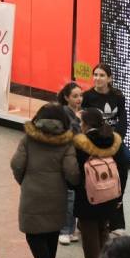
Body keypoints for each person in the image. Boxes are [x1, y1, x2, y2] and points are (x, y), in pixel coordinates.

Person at [10, 103, 81, 258]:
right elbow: (72, 171)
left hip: (32, 192)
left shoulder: (28, 139)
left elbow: (16, 164)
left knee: (33, 233)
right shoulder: (66, 142)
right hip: (57, 193)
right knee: (51, 232)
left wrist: (24, 181)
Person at [69, 108, 130, 258]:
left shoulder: (81, 144)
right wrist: (120, 194)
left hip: (88, 197)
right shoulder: (114, 140)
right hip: (109, 195)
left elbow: (74, 172)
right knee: (103, 232)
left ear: (86, 124)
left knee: (89, 239)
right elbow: (124, 163)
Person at [56, 81, 85, 247]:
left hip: (76, 157)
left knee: (74, 194)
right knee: (69, 195)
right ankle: (65, 230)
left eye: (80, 96)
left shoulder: (78, 113)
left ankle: (71, 228)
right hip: (67, 157)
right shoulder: (65, 113)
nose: (78, 99)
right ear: (67, 97)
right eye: (75, 96)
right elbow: (72, 134)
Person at [83, 63, 129, 139]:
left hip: (114, 138)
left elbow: (123, 121)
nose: (97, 78)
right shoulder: (86, 96)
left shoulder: (118, 96)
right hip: (93, 139)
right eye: (95, 75)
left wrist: (117, 139)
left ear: (109, 78)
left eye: (102, 75)